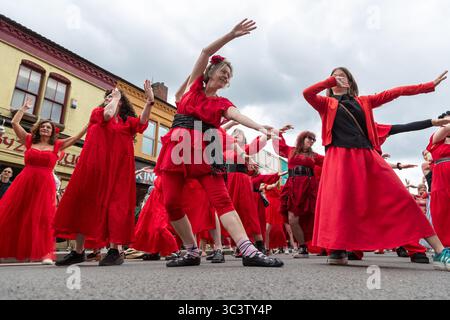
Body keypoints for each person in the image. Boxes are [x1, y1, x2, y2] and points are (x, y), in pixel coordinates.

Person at [154, 19, 283, 268]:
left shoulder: (222, 103)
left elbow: (236, 114)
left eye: (229, 75)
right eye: (224, 71)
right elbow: (205, 51)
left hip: (208, 146)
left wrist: (258, 126)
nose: (227, 76)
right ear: (211, 73)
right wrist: (232, 35)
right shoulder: (193, 88)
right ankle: (191, 250)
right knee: (171, 201)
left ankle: (248, 250)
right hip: (179, 143)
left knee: (221, 200)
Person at [303, 67, 450, 270]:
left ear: (350, 81)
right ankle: (337, 249)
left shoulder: (364, 101)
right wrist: (329, 82)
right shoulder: (325, 103)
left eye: (342, 75)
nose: (338, 78)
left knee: (402, 197)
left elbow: (394, 92)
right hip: (338, 157)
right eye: (335, 76)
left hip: (366, 155)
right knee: (340, 204)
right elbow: (307, 93)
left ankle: (440, 252)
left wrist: (427, 87)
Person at [55, 81, 154, 267]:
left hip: (118, 171)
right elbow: (108, 114)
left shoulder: (127, 122)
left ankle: (115, 250)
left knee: (115, 207)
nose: (108, 98)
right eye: (107, 97)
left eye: (113, 96)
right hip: (96, 168)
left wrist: (149, 101)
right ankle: (78, 251)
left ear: (123, 103)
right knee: (85, 204)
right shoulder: (98, 113)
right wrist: (115, 98)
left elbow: (142, 123)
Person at [0, 97, 87, 263]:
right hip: (24, 181)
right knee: (17, 212)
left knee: (44, 217)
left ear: (53, 132)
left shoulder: (57, 145)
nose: (45, 129)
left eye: (48, 127)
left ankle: (45, 252)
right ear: (38, 129)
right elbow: (15, 124)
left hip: (45, 183)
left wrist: (88, 125)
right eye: (43, 127)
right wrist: (24, 108)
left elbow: (75, 138)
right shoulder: (28, 140)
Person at [273, 126, 324, 259]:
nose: (312, 141)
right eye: (310, 138)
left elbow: (331, 161)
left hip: (308, 188)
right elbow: (279, 145)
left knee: (312, 218)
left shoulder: (314, 155)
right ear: (303, 138)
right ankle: (302, 246)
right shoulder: (291, 151)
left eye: (314, 140)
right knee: (292, 219)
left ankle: (318, 245)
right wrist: (280, 131)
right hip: (293, 187)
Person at [427, 111, 450, 248]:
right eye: (444, 122)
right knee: (442, 214)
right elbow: (446, 128)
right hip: (442, 184)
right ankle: (445, 249)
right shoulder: (436, 140)